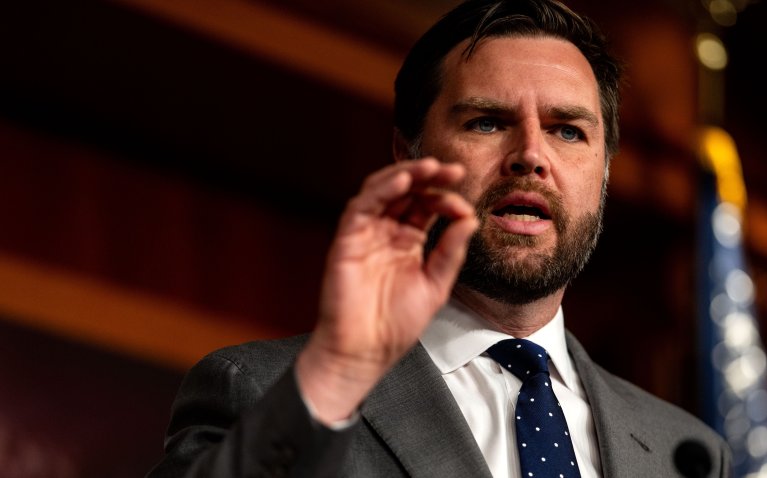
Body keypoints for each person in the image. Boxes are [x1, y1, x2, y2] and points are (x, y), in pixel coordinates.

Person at [147, 0, 732, 476]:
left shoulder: (687, 451)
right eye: (486, 122)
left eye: (568, 131)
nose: (531, 155)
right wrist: (338, 375)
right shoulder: (263, 392)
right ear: (409, 155)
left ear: (604, 171)